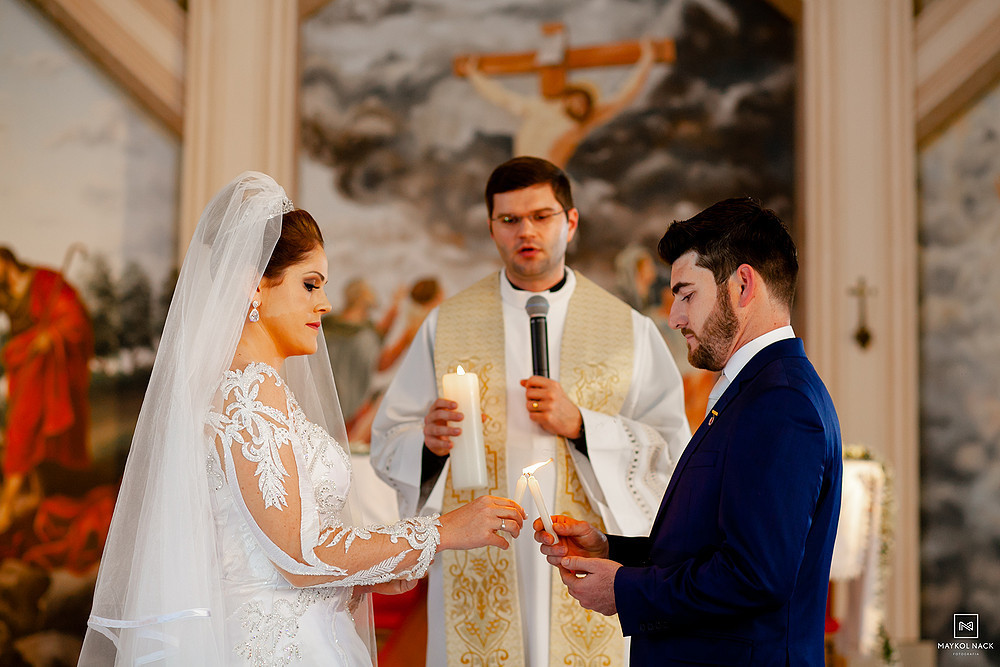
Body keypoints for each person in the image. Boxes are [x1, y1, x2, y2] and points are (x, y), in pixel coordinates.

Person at [80, 172, 525, 666]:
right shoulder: (250, 391)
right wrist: (441, 531)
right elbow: (297, 553)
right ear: (255, 288)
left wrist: (369, 571)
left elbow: (274, 544)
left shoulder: (256, 391)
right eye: (309, 283)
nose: (326, 303)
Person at [370, 156, 690, 666]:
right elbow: (390, 441)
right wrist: (427, 445)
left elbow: (670, 451)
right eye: (510, 219)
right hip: (482, 554)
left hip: (582, 549)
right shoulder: (446, 324)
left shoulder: (627, 330)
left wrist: (584, 426)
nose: (527, 231)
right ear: (491, 227)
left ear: (571, 221)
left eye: (541, 216)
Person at [534, 198, 843, 665]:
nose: (675, 316)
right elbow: (711, 548)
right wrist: (613, 550)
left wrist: (623, 590)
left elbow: (755, 576)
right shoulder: (757, 389)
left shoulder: (780, 401)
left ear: (742, 284)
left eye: (687, 294)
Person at [0, 246, 93, 534]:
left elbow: (74, 317)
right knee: (24, 431)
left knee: (22, 431)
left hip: (46, 370)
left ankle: (4, 508)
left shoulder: (44, 282)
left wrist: (50, 336)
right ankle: (35, 499)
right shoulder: (4, 292)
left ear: (5, 260)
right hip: (23, 366)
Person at [457, 38, 655, 167]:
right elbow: (501, 97)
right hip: (522, 168)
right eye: (576, 100)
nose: (579, 106)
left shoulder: (584, 121)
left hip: (549, 176)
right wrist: (474, 74)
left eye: (584, 103)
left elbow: (623, 97)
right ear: (567, 97)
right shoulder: (539, 108)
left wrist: (647, 59)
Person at [322, 277, 402, 425]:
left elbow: (380, 346)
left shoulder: (331, 325)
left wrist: (395, 308)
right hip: (327, 392)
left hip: (353, 397)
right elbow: (381, 360)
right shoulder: (330, 326)